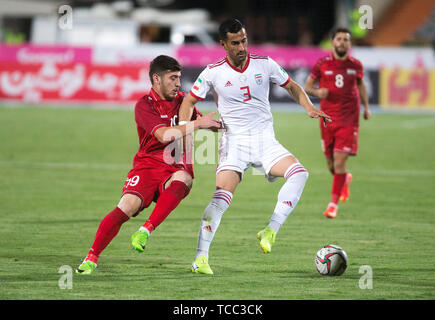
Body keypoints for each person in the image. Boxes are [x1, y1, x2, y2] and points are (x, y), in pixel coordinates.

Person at [178, 19, 331, 275]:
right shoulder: (213, 71)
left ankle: (270, 229)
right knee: (220, 199)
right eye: (235, 43)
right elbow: (188, 101)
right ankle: (200, 259)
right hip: (233, 144)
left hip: (265, 141)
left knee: (300, 173)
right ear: (223, 44)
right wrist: (184, 130)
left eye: (244, 40)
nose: (241, 46)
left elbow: (292, 86)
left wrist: (309, 107)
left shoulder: (264, 63)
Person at [76, 55, 221, 274]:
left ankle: (146, 229)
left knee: (184, 178)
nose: (178, 83)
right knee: (126, 207)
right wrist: (198, 124)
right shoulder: (145, 105)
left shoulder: (183, 101)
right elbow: (164, 135)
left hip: (173, 167)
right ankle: (91, 258)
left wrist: (221, 125)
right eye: (172, 78)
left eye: (179, 78)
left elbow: (201, 122)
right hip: (147, 167)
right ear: (157, 79)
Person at [304, 27, 370, 219]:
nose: (342, 42)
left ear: (349, 43)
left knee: (340, 161)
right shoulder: (322, 63)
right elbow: (307, 87)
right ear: (333, 42)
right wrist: (318, 92)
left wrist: (366, 107)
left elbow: (361, 85)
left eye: (346, 39)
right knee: (331, 165)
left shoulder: (356, 65)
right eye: (339, 39)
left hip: (349, 119)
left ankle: (332, 205)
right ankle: (344, 179)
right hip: (327, 118)